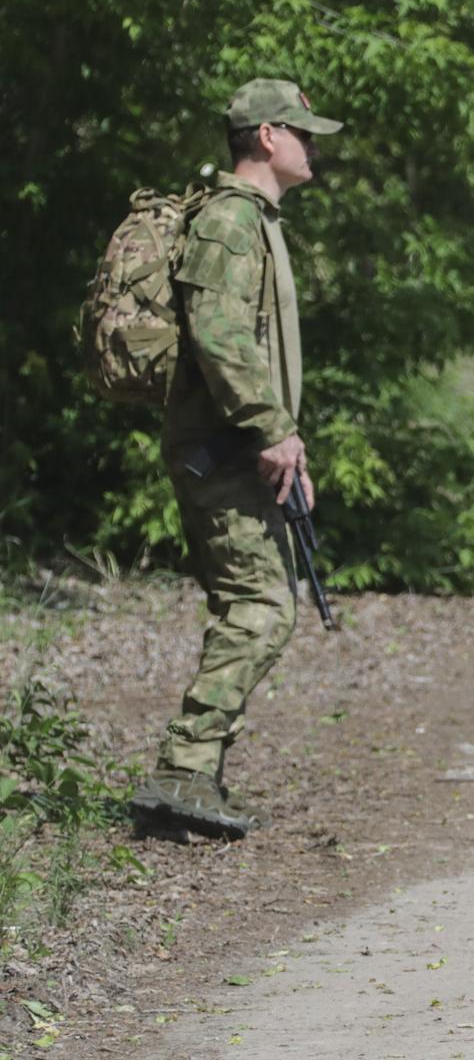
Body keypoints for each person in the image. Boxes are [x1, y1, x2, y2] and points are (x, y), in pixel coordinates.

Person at [129, 79, 342, 838]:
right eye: (303, 133)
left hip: (243, 448)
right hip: (220, 451)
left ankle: (194, 781)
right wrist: (271, 429)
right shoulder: (228, 222)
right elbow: (221, 339)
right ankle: (182, 772)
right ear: (265, 138)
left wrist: (288, 443)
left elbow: (254, 351)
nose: (313, 146)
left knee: (249, 609)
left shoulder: (255, 220)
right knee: (261, 612)